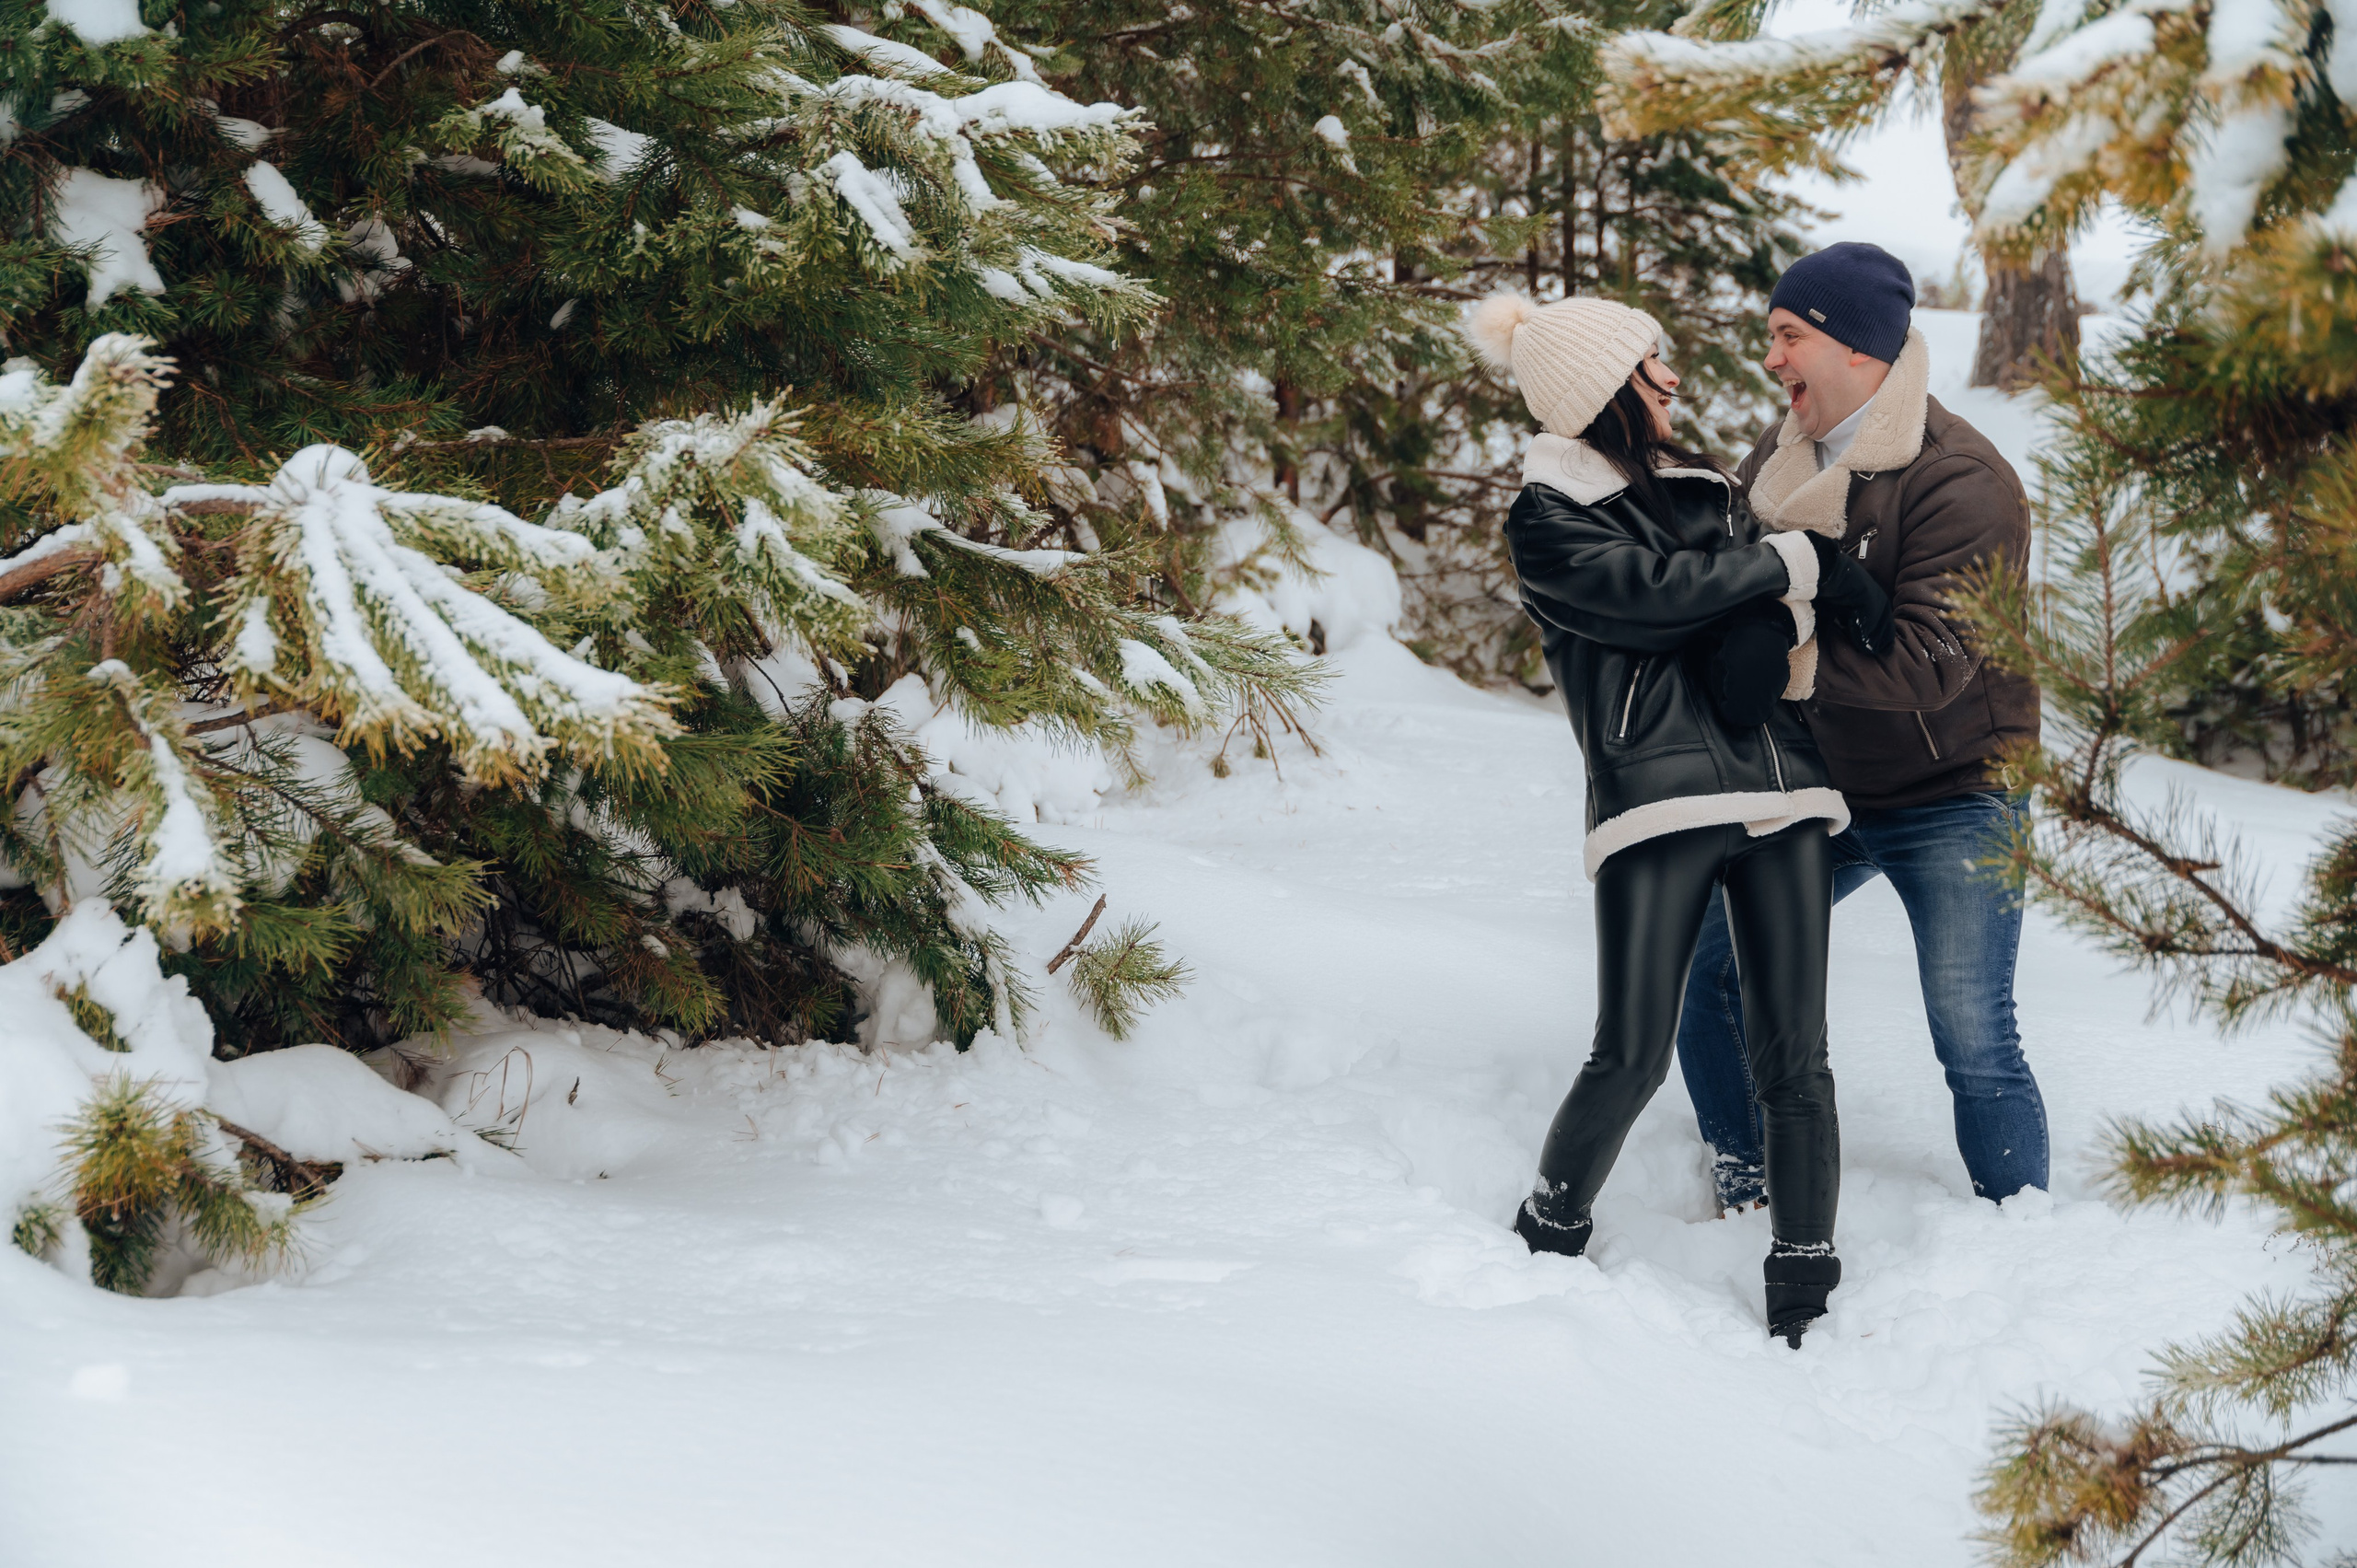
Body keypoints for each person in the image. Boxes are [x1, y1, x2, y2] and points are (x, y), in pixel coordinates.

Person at [1466, 290, 1894, 1346]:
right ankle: (1547, 1227)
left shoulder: (1707, 486)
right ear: (1609, 386)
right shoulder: (1547, 515)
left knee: (1796, 1054)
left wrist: (1773, 607)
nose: (1672, 381)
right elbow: (1646, 593)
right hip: (1657, 799)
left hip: (1783, 789)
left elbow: (1733, 595)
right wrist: (1794, 569)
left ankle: (1802, 1284)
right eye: (1654, 365)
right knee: (1632, 1050)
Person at [1672, 242, 2050, 1214]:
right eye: (1771, 337)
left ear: (1855, 349)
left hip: (1955, 787)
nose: (1772, 360)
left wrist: (1786, 657)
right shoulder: (1781, 458)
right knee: (1701, 967)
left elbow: (1931, 662)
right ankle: (1751, 1186)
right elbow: (1739, 577)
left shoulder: (1962, 480)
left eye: (1788, 336)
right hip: (1823, 778)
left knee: (1973, 1031)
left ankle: (2023, 1232)